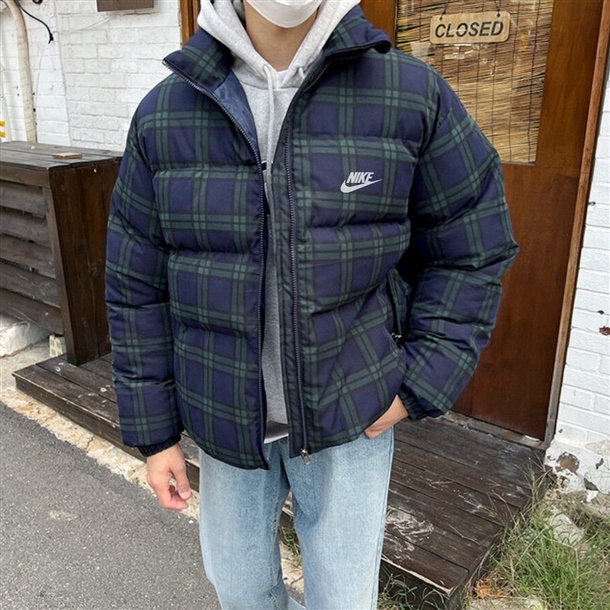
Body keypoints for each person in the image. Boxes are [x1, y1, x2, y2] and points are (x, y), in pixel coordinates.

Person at [105, 1, 518, 608]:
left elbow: (473, 246)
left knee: (344, 599)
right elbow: (136, 283)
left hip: (352, 416)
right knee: (240, 590)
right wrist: (156, 433)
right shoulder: (168, 112)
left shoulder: (408, 95)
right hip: (223, 414)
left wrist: (419, 384)